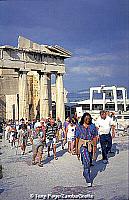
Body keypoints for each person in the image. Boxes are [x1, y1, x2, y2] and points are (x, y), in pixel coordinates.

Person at [75, 112, 98, 187]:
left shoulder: (92, 126)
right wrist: (76, 149)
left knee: (89, 160)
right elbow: (77, 138)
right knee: (86, 161)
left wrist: (95, 148)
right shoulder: (79, 126)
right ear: (83, 118)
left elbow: (94, 137)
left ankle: (85, 172)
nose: (88, 119)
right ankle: (88, 178)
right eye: (86, 118)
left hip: (90, 144)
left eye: (89, 118)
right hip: (82, 145)